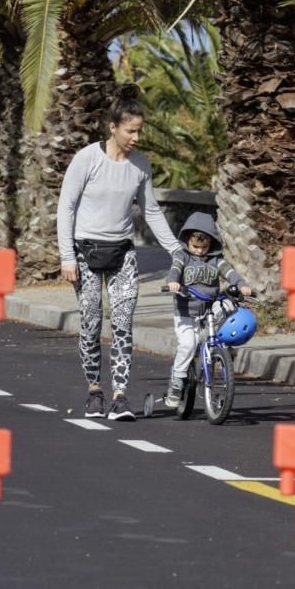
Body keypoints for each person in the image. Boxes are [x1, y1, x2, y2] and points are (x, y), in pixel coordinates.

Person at [57, 84, 181, 421]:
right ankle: (95, 391)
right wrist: (67, 256)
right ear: (113, 127)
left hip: (123, 252)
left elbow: (151, 211)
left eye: (139, 130)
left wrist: (176, 250)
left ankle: (120, 397)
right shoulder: (87, 159)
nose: (136, 137)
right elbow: (66, 207)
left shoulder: (140, 165)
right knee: (91, 323)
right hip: (85, 253)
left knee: (124, 325)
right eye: (130, 130)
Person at [164, 212, 252, 408]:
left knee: (228, 309)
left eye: (204, 247)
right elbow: (175, 269)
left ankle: (219, 357)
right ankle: (177, 383)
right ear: (188, 240)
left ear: (211, 243)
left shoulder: (216, 260)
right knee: (188, 344)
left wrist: (242, 284)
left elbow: (230, 272)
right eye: (195, 246)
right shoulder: (182, 256)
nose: (200, 251)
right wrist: (172, 282)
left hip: (208, 309)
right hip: (186, 310)